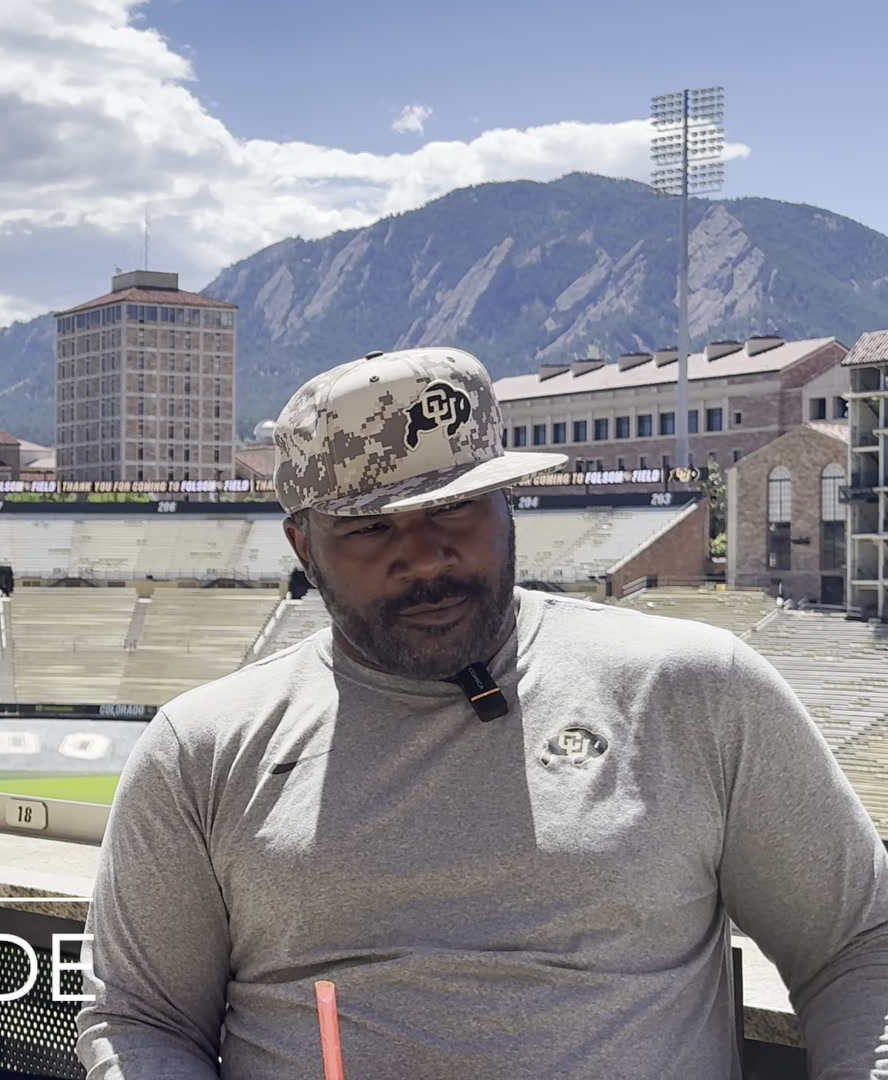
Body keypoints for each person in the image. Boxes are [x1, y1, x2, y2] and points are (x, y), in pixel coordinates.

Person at [75, 346, 888, 1078]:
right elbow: (142, 1021)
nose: (425, 557)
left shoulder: (698, 689)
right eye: (367, 529)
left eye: (454, 508)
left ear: (508, 505)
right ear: (303, 549)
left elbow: (860, 945)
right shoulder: (202, 751)